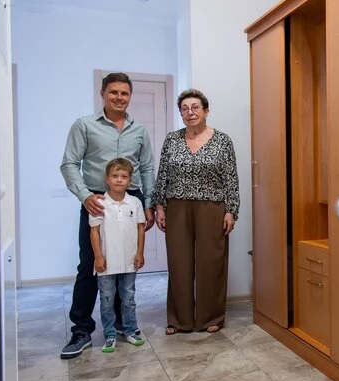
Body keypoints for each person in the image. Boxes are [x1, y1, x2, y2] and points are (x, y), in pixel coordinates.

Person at [60, 72, 155, 359]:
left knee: (125, 263)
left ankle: (122, 325)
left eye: (124, 93)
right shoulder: (84, 125)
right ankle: (81, 329)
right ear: (102, 93)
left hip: (131, 200)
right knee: (92, 265)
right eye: (113, 92)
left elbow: (147, 168)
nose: (119, 97)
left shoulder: (139, 131)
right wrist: (85, 196)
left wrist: (148, 204)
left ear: (130, 96)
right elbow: (69, 163)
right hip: (97, 201)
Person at [152, 88, 240, 335]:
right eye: (184, 109)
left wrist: (231, 210)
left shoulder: (223, 141)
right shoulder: (172, 140)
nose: (189, 112)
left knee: (211, 262)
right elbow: (163, 174)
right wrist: (159, 206)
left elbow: (231, 178)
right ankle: (179, 319)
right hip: (177, 206)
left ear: (206, 111)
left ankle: (210, 316)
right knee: (179, 262)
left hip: (212, 206)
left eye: (195, 107)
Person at [90, 158, 146, 352]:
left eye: (124, 176)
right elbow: (94, 231)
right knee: (107, 300)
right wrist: (98, 256)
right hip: (107, 263)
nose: (119, 180)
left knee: (128, 298)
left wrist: (140, 253)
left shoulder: (135, 203)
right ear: (107, 179)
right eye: (115, 176)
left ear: (130, 181)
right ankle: (110, 334)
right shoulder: (99, 203)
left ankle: (130, 330)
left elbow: (140, 229)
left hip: (129, 262)